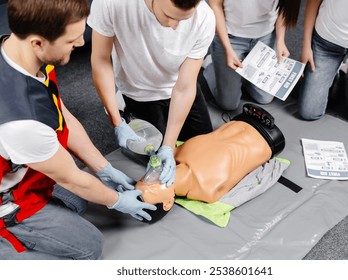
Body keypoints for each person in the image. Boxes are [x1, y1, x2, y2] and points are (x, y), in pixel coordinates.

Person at [0, 0, 156, 260]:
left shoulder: (19, 52)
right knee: (89, 247)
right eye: (71, 40)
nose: (82, 43)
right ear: (38, 42)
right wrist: (116, 201)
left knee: (78, 203)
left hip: (21, 163)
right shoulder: (22, 121)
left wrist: (103, 168)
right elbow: (71, 178)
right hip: (7, 194)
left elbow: (63, 117)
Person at [87, 0, 216, 187]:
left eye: (183, 20)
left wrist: (168, 146)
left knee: (204, 153)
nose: (174, 27)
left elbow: (185, 87)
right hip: (139, 91)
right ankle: (122, 106)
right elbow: (100, 61)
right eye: (169, 16)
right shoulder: (112, 3)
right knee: (152, 161)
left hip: (177, 85)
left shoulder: (204, 17)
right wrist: (117, 121)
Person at [134, 104, 286, 222]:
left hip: (240, 119)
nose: (151, 178)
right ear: (168, 203)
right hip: (268, 139)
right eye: (152, 189)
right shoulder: (207, 190)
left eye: (143, 179)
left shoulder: (171, 154)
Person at [203, 0, 301, 111]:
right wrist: (228, 49)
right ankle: (210, 63)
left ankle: (241, 73)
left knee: (264, 98)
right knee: (228, 104)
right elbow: (215, 5)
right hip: (230, 36)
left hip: (265, 35)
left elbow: (285, 6)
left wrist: (280, 40)